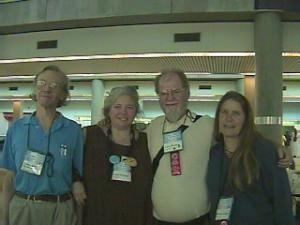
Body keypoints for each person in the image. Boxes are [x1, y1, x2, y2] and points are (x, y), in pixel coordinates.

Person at [1, 65, 84, 225]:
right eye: (42, 83)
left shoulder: (73, 131)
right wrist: (3, 219)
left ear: (63, 95)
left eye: (54, 85)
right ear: (35, 88)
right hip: (23, 207)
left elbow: (77, 176)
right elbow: (9, 178)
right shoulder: (17, 128)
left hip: (61, 210)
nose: (46, 89)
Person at [207, 91, 295, 225]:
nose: (228, 118)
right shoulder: (214, 153)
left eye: (236, 113)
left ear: (246, 119)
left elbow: (282, 201)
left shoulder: (265, 151)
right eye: (224, 112)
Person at [147, 69, 214, 225]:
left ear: (187, 92)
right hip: (159, 221)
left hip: (199, 221)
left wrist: (278, 148)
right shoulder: (153, 127)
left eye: (176, 91)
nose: (170, 98)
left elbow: (241, 137)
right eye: (163, 93)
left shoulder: (207, 125)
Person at [80, 86, 153, 225]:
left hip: (135, 217)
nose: (123, 112)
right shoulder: (89, 136)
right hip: (97, 216)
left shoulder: (146, 141)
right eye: (117, 106)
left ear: (136, 111)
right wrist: (76, 182)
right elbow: (71, 165)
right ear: (108, 110)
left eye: (129, 107)